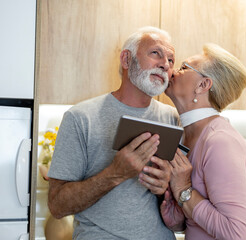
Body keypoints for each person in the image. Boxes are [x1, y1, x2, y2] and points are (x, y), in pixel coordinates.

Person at [47, 26, 179, 240]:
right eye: (156, 53)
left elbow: (181, 221)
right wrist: (115, 173)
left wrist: (167, 190)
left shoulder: (174, 119)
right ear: (126, 60)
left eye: (171, 60)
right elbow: (57, 206)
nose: (165, 64)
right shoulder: (80, 118)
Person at [156, 43, 246, 239]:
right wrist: (178, 218)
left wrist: (184, 191)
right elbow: (205, 218)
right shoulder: (184, 135)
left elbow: (235, 232)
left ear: (203, 85)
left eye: (184, 68)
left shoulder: (220, 142)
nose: (172, 71)